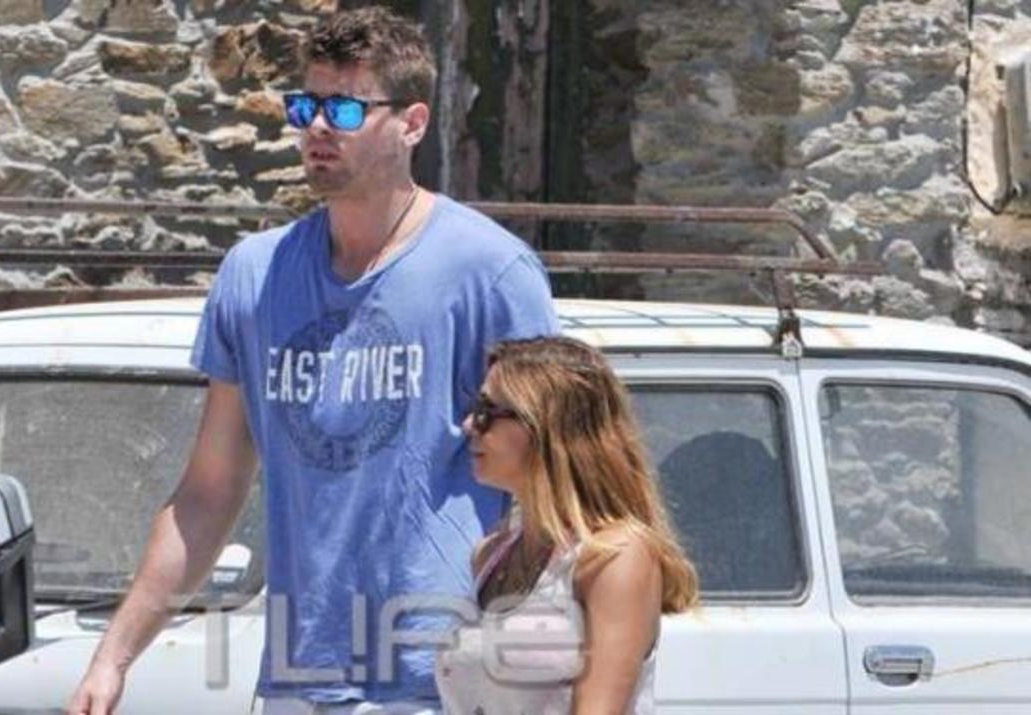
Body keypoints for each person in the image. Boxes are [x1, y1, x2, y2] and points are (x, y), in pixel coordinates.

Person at [67, 7, 559, 714]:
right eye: (307, 106)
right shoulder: (255, 275)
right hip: (301, 678)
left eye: (346, 108)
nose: (319, 127)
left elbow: (559, 476)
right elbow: (208, 492)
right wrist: (111, 659)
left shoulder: (490, 273)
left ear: (413, 123)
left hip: (442, 680)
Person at [436, 336, 698, 714]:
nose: (468, 425)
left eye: (487, 411)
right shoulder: (490, 555)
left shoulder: (614, 557)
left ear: (547, 426)